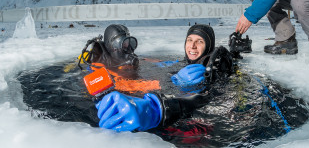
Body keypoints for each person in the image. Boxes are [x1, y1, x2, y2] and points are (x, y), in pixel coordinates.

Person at [95, 24, 235, 132]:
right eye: (189, 40)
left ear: (208, 46)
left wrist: (156, 110)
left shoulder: (213, 69)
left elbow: (210, 98)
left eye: (199, 41)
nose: (192, 46)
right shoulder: (181, 64)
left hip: (194, 121)